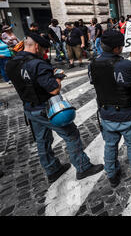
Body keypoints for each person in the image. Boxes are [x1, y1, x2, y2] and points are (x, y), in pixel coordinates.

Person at [6, 34, 103, 183]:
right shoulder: (38, 64)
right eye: (44, 49)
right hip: (45, 109)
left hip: (29, 108)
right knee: (71, 135)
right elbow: (53, 90)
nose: (44, 52)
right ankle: (83, 167)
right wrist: (58, 76)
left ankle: (52, 169)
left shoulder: (12, 62)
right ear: (37, 46)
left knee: (42, 140)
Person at [89, 30, 131, 188]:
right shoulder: (125, 65)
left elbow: (95, 82)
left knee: (110, 145)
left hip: (105, 112)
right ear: (116, 49)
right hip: (126, 112)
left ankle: (112, 175)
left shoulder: (93, 63)